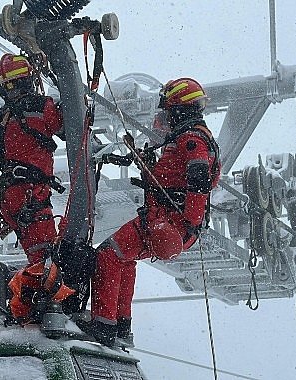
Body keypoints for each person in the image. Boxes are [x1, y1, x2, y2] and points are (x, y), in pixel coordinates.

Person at [78, 77, 221, 346]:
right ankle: (121, 327)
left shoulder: (191, 140)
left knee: (108, 254)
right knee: (124, 258)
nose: (165, 117)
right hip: (169, 224)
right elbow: (172, 178)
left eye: (168, 111)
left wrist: (186, 223)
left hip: (166, 222)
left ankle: (105, 324)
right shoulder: (193, 138)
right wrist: (147, 164)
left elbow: (198, 182)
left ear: (179, 109)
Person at [0, 53, 71, 322]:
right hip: (31, 195)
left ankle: (35, 307)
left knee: (39, 257)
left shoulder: (0, 117)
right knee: (44, 263)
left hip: (11, 197)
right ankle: (31, 314)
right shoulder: (41, 107)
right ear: (29, 78)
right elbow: (68, 126)